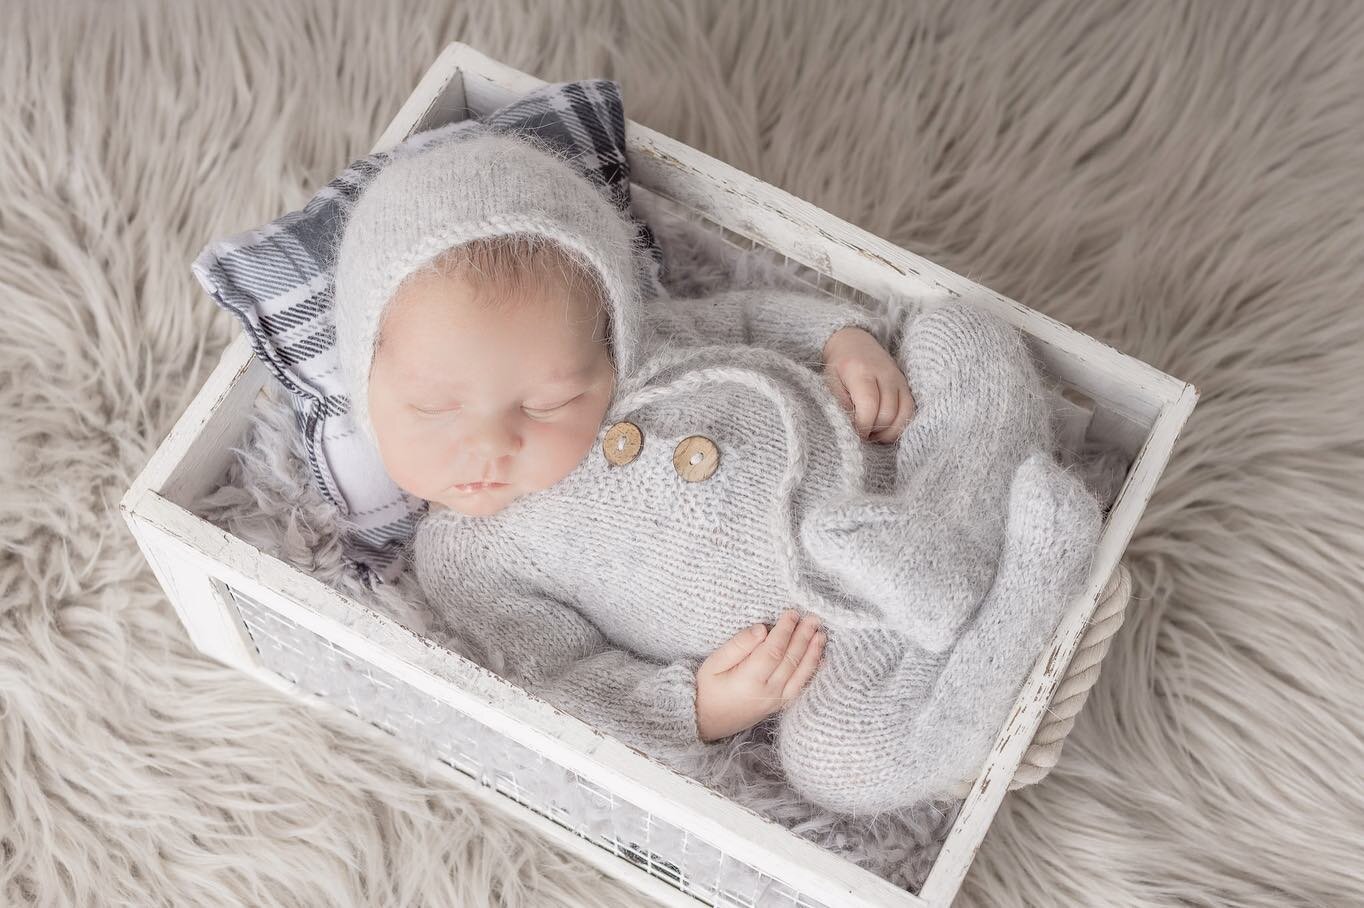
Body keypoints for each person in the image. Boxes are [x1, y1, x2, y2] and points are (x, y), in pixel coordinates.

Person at [332, 122, 1102, 815]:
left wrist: (844, 342)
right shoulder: (467, 557)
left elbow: (748, 318)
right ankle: (1028, 581)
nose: (490, 445)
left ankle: (952, 526)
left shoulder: (647, 344)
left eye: (546, 403)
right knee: (835, 764)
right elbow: (564, 683)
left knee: (959, 334)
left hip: (895, 471)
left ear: (610, 336)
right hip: (825, 643)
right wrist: (700, 705)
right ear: (365, 390)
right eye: (433, 412)